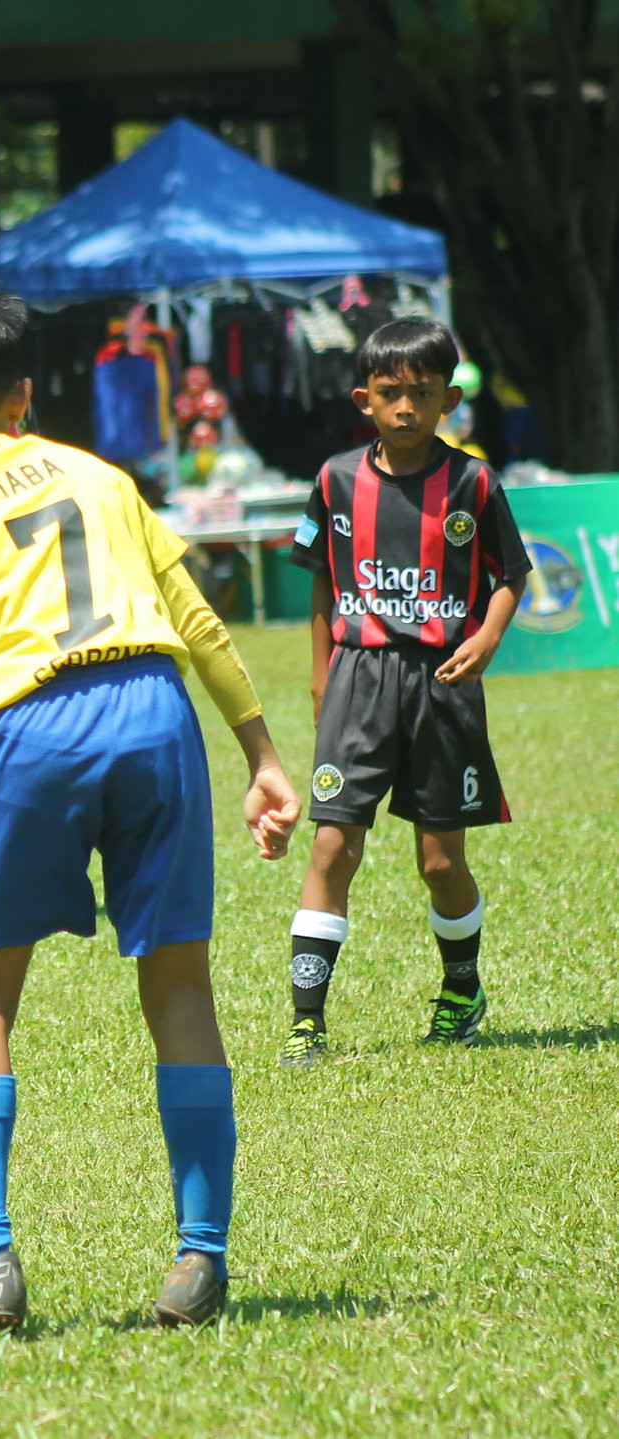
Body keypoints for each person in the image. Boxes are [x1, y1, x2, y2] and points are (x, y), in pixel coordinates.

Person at [0, 282, 301, 1334]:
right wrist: (262, 752)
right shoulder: (98, 473)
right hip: (155, 706)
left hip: (33, 726)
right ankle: (199, 1258)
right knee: (178, 980)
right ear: (22, 392)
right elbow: (192, 612)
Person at [277, 319, 530, 1068]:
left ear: (448, 398)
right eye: (391, 393)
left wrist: (485, 637)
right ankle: (307, 1022)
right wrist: (322, 672)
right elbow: (322, 578)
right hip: (358, 679)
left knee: (440, 861)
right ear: (365, 399)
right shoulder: (334, 479)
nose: (407, 407)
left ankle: (462, 991)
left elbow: (512, 574)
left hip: (440, 683)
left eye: (423, 393)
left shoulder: (474, 482)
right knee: (332, 844)